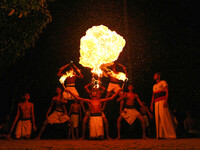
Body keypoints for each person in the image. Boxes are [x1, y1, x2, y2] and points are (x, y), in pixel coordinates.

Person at [150, 72, 176, 139]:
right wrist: (151, 104)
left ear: (159, 76)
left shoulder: (163, 82)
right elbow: (153, 95)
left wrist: (166, 100)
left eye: (155, 75)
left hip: (162, 101)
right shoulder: (154, 86)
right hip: (156, 102)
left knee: (165, 117)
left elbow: (167, 91)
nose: (154, 76)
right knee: (158, 118)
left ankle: (171, 135)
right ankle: (161, 135)